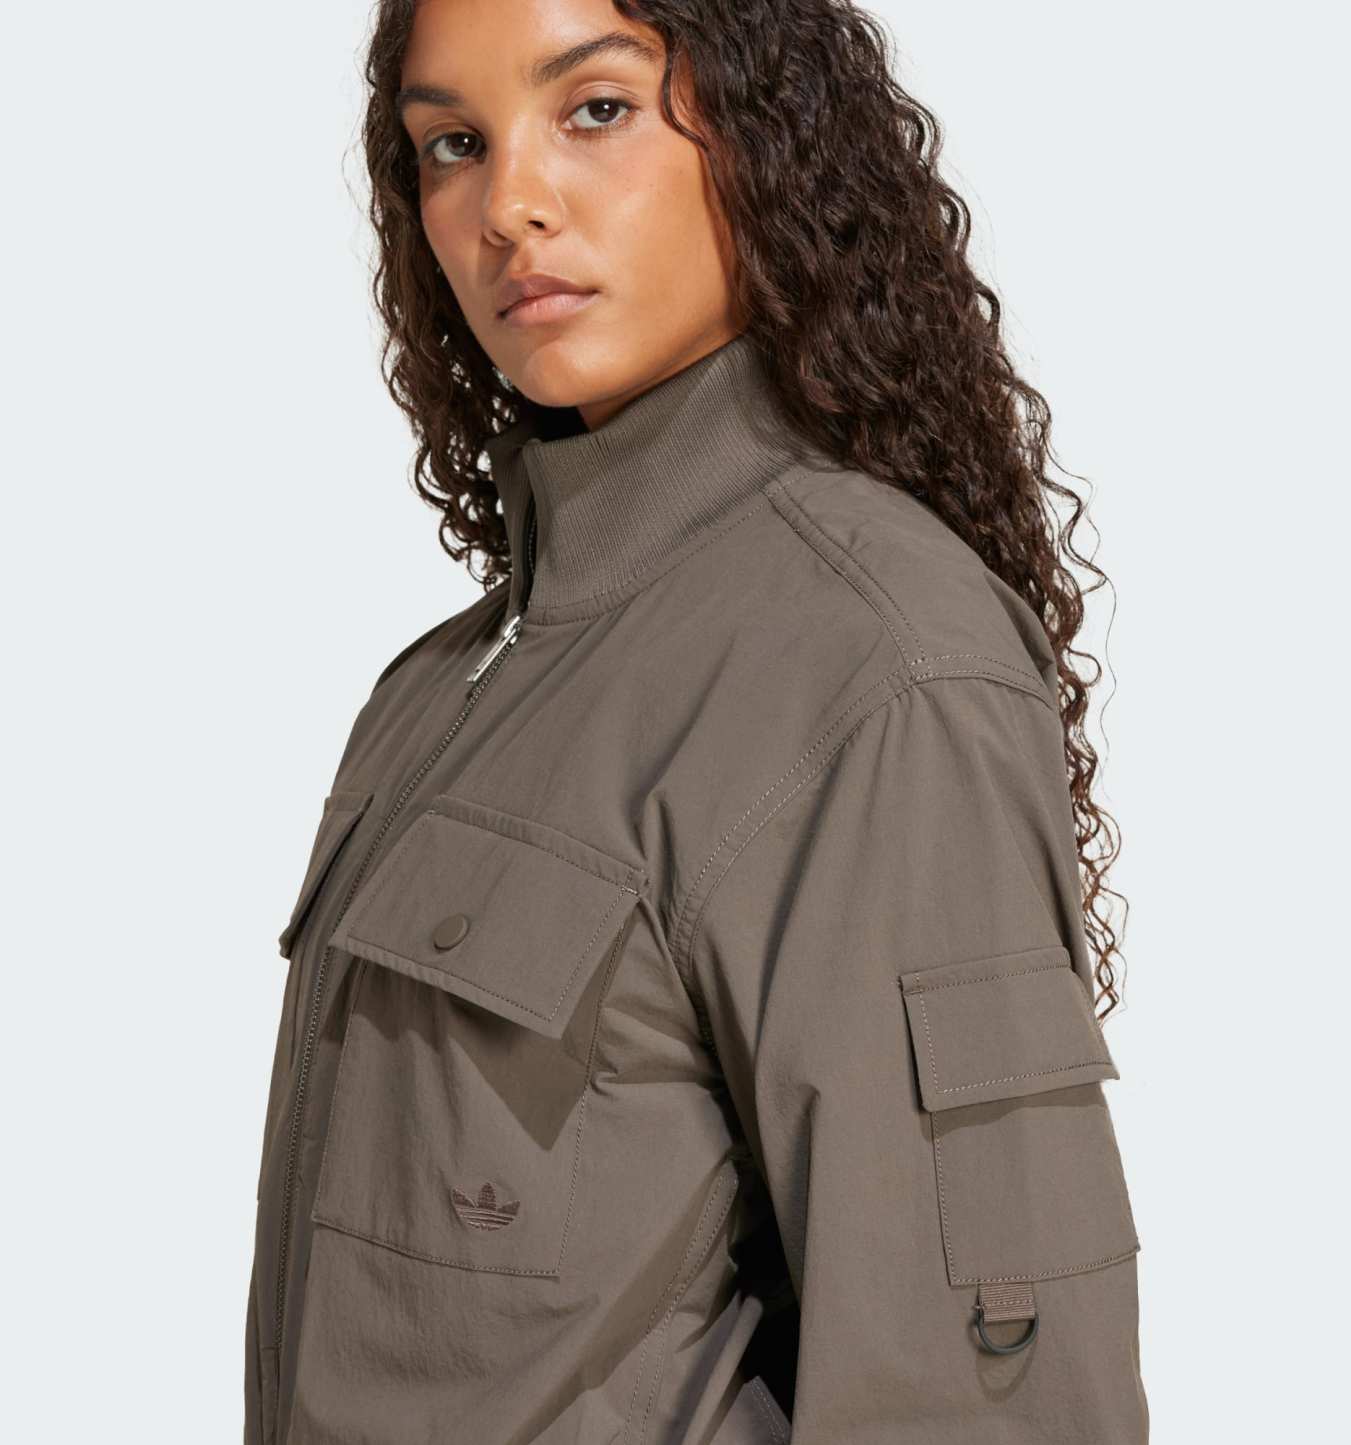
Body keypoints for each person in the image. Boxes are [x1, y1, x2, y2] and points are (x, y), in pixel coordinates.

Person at [243, 0, 1149, 1440]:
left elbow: (980, 1404)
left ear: (770, 140)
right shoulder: (438, 686)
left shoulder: (872, 662)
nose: (508, 204)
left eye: (595, 109)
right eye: (453, 144)